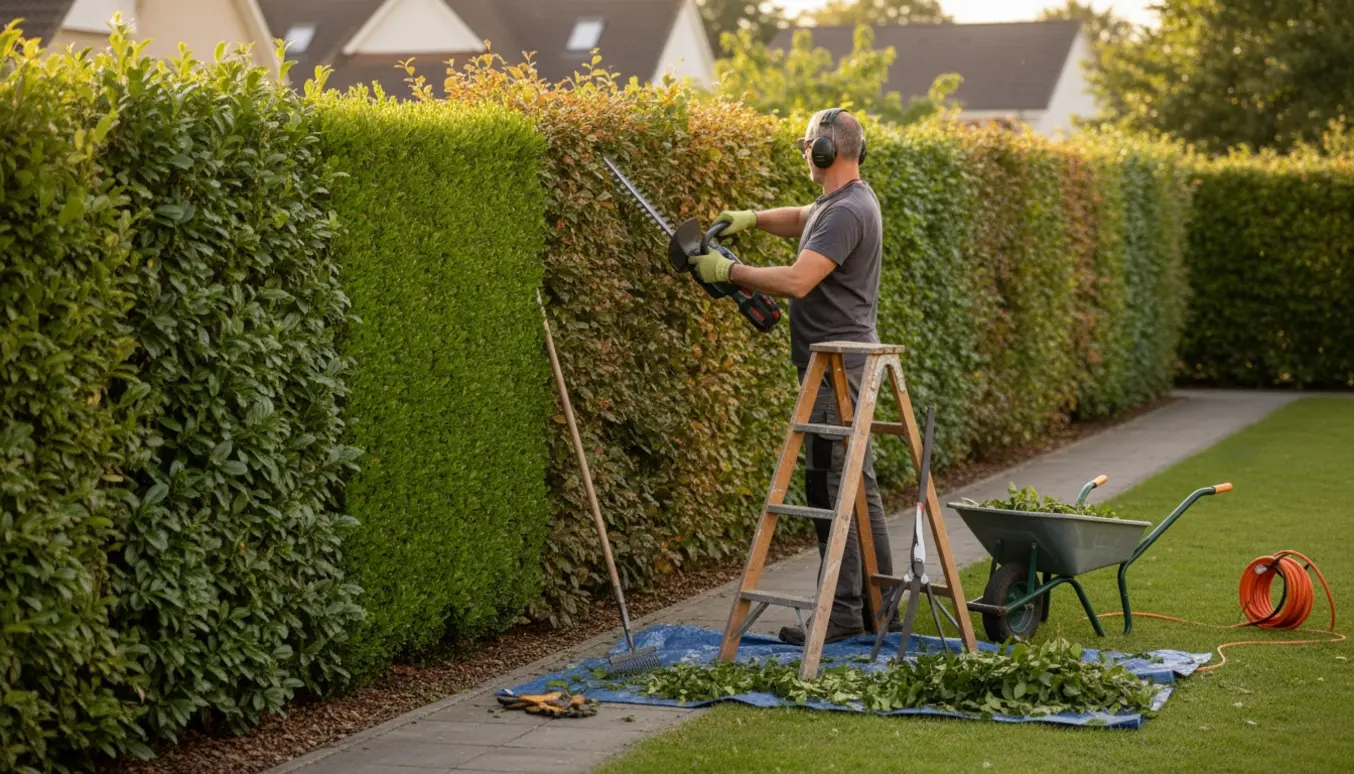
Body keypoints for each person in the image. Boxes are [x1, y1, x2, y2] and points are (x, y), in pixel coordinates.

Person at [689, 108, 893, 645]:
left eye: (807, 146)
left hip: (836, 373)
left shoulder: (847, 211)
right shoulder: (842, 202)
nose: (804, 153)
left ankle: (846, 615)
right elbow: (803, 217)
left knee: (830, 488)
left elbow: (801, 280)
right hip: (842, 365)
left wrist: (729, 271)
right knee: (857, 487)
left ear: (823, 151)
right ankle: (878, 606)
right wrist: (752, 219)